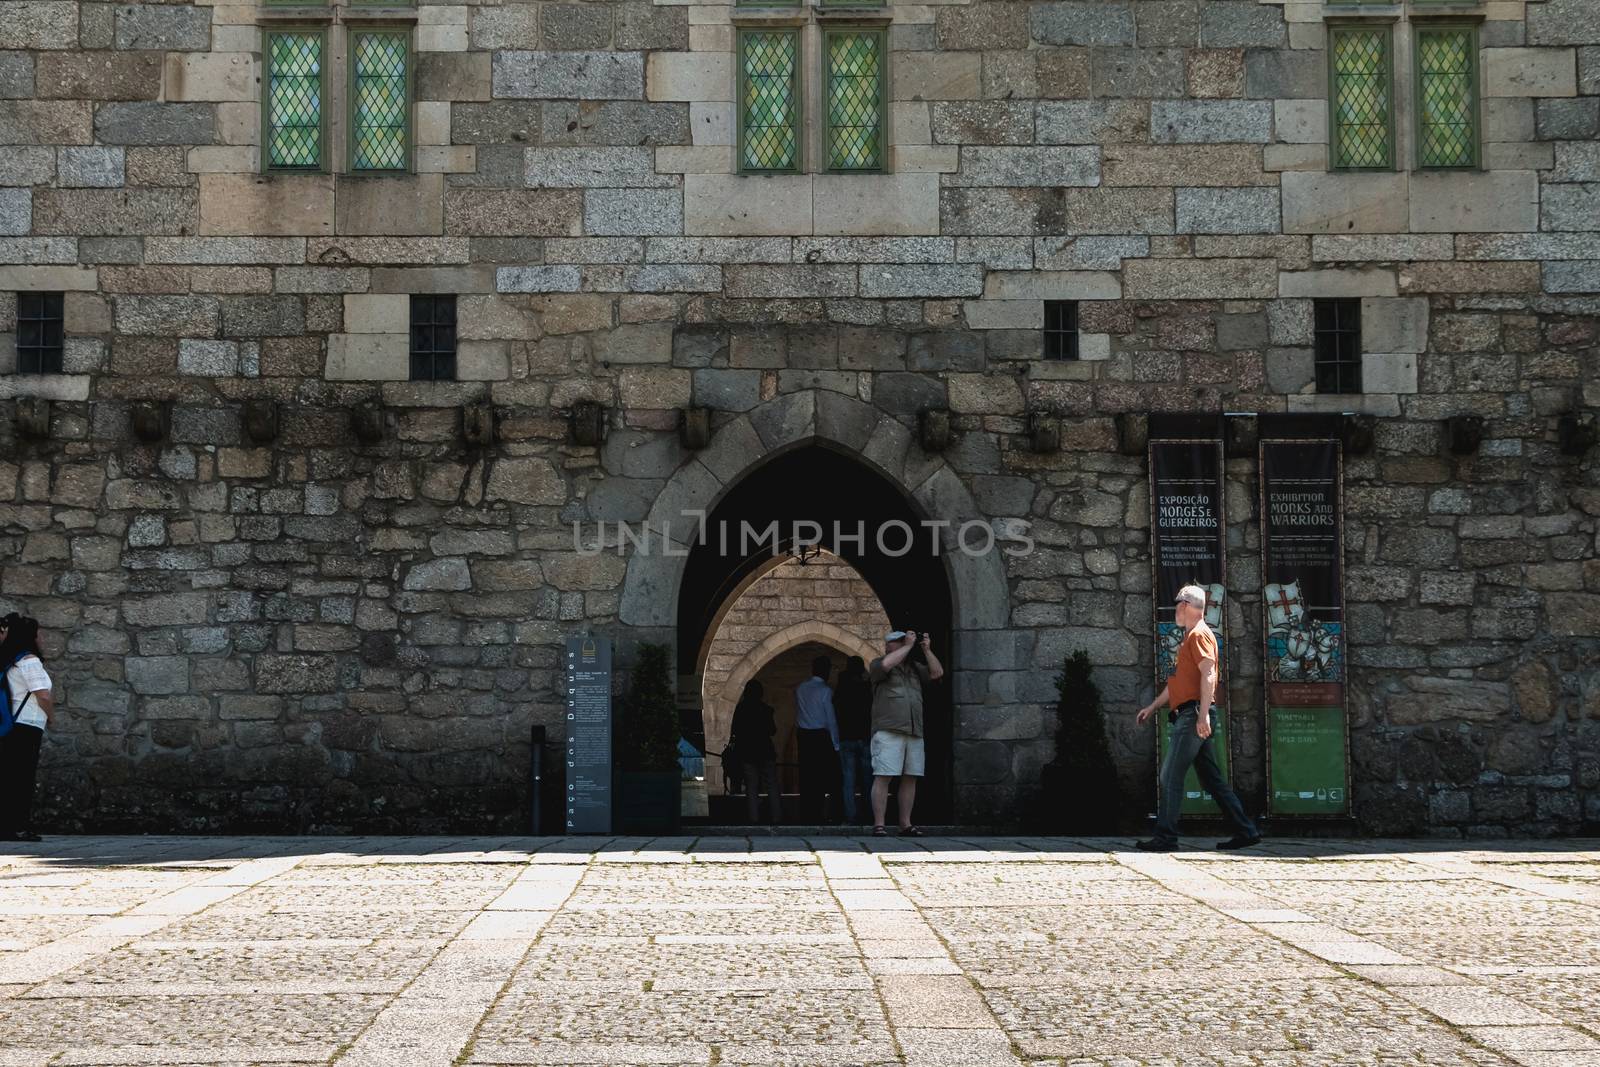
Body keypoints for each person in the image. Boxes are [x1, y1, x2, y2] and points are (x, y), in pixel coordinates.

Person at [1135, 584, 1262, 852]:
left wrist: (1202, 715)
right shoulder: (1191, 637)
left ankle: (1166, 838)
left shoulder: (1199, 636)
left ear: (1185, 606)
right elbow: (1179, 684)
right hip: (1193, 713)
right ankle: (1245, 830)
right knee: (1211, 779)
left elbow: (1209, 674)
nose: (1175, 611)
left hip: (1192, 716)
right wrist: (1153, 706)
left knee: (1170, 775)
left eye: (1178, 606)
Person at [868, 629, 943, 837]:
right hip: (889, 729)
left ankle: (905, 824)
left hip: (914, 730)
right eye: (899, 642)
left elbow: (937, 673)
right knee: (884, 776)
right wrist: (909, 646)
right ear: (888, 646)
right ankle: (879, 824)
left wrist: (927, 650)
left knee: (911, 777)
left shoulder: (915, 669)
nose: (904, 644)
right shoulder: (878, 664)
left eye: (905, 642)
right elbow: (886, 665)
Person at [0, 614, 53, 843]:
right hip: (28, 724)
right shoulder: (30, 661)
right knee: (23, 779)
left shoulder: (11, 661)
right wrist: (52, 717)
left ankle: (7, 826)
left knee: (10, 778)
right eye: (37, 633)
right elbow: (43, 695)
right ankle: (19, 827)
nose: (40, 637)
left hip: (11, 725)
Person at [792, 655, 840, 823]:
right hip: (820, 736)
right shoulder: (826, 691)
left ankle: (806, 814)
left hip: (804, 736)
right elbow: (830, 719)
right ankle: (819, 814)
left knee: (806, 776)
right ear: (825, 671)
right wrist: (835, 744)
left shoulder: (800, 688)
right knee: (820, 776)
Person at [730, 680, 781, 825]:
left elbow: (735, 731)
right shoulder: (766, 709)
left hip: (748, 752)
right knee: (771, 784)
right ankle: (777, 817)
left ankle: (754, 818)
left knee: (751, 786)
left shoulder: (740, 709)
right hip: (765, 750)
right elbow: (772, 730)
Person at [834, 656, 873, 825]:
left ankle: (850, 816)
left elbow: (835, 709)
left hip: (846, 737)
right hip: (864, 737)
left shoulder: (841, 688)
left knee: (848, 780)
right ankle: (870, 815)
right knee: (868, 780)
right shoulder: (867, 688)